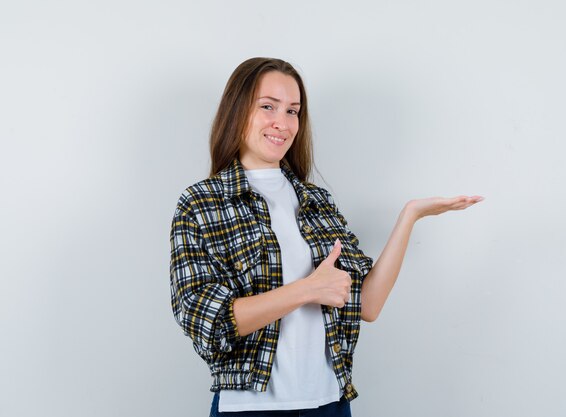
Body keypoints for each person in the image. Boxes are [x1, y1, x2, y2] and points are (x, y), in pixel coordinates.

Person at [169, 57, 483, 417]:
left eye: (293, 111)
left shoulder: (316, 201)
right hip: (250, 407)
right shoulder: (201, 203)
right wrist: (307, 289)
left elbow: (367, 304)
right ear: (237, 111)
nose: (282, 123)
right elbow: (207, 322)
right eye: (267, 107)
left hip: (329, 403)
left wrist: (409, 216)